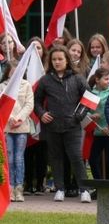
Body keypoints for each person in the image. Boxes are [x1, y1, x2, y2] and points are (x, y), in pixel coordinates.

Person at [34, 45, 91, 203]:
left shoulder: (77, 78)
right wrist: (42, 113)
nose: (57, 62)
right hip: (52, 126)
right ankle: (59, 189)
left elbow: (89, 98)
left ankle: (84, 189)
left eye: (60, 59)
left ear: (67, 60)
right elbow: (36, 101)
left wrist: (79, 116)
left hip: (72, 126)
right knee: (55, 158)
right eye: (54, 59)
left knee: (75, 157)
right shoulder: (45, 80)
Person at [0, 60, 34, 202]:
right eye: (12, 70)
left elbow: (29, 104)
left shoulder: (26, 85)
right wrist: (10, 118)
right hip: (7, 127)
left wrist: (19, 118)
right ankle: (9, 188)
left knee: (19, 158)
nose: (15, 73)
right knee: (9, 157)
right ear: (8, 71)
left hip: (21, 127)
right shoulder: (2, 86)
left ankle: (19, 188)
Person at [23, 37, 48, 195]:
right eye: (32, 48)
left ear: (43, 50)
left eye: (38, 47)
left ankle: (40, 183)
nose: (36, 51)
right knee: (27, 153)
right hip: (26, 116)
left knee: (42, 153)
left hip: (44, 116)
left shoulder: (48, 69)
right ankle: (27, 183)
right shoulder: (22, 69)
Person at [88, 68, 109, 180]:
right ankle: (98, 185)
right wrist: (90, 115)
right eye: (106, 79)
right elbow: (85, 110)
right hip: (97, 132)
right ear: (97, 79)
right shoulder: (90, 93)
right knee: (93, 160)